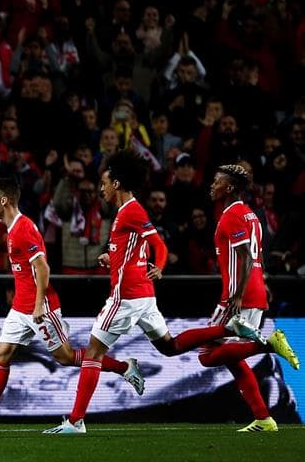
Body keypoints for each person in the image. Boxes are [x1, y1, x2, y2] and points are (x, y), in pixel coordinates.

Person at [44, 150, 264, 435]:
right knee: (169, 346)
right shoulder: (126, 212)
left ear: (119, 183)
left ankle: (76, 421)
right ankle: (229, 327)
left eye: (105, 182)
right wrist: (113, 258)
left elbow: (159, 245)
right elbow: (136, 248)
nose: (102, 188)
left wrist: (159, 266)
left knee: (93, 352)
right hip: (144, 296)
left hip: (126, 296)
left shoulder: (132, 210)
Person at [0, 178, 143, 431]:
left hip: (40, 308)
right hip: (20, 308)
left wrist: (38, 305)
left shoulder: (24, 228)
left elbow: (42, 267)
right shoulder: (10, 229)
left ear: (4, 200)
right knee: (1, 356)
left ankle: (124, 367)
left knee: (64, 357)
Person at [195, 165, 299, 432]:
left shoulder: (231, 216)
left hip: (237, 295)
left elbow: (244, 257)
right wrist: (261, 284)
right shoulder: (252, 214)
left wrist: (238, 295)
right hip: (254, 291)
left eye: (216, 181)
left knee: (206, 354)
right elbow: (258, 256)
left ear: (229, 188)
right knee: (231, 359)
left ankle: (269, 345)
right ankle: (263, 418)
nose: (212, 185)